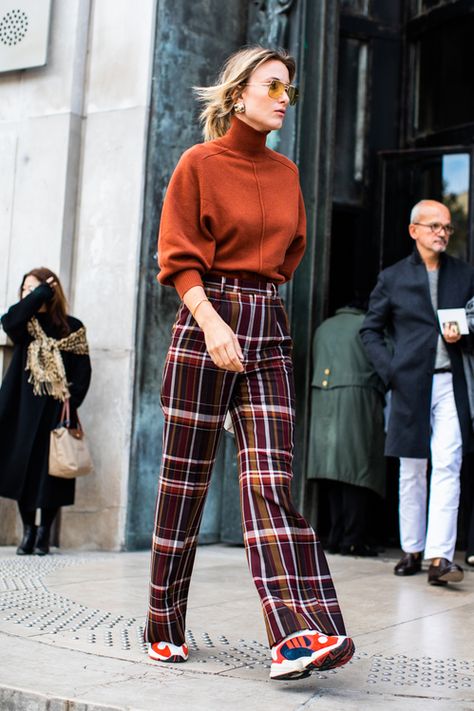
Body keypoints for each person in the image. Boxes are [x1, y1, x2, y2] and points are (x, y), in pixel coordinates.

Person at [145, 46, 354, 682]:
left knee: (269, 480)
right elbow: (178, 259)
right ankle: (163, 620)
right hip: (204, 319)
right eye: (273, 86)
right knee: (185, 483)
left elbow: (290, 251)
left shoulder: (288, 173)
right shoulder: (198, 164)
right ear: (239, 95)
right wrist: (213, 322)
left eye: (289, 87)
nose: (285, 96)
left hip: (267, 323)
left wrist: (253, 309)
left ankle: (296, 635)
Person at [360, 199, 474, 585]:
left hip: (451, 381)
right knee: (412, 467)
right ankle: (412, 549)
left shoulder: (464, 274)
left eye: (447, 227)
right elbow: (369, 330)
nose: (442, 233)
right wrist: (390, 370)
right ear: (414, 231)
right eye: (434, 226)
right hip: (409, 383)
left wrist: (467, 331)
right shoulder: (392, 277)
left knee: (448, 464)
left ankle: (440, 557)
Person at [0, 268, 91, 555]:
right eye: (24, 289)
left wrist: (70, 401)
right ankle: (28, 531)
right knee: (24, 469)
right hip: (22, 408)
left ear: (52, 292)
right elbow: (8, 320)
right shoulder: (24, 325)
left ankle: (44, 532)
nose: (27, 293)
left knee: (53, 472)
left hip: (56, 409)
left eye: (34, 288)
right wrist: (36, 294)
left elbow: (83, 369)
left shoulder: (71, 328)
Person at [308, 300, 386, 557]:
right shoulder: (367, 325)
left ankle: (336, 535)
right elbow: (386, 358)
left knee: (332, 474)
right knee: (356, 474)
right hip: (357, 401)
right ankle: (353, 540)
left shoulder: (323, 327)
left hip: (323, 402)